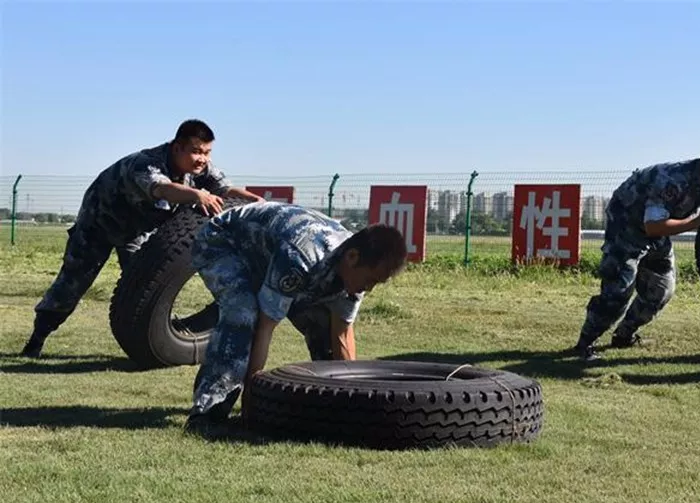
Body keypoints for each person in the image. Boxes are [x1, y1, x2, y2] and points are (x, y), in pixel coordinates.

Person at [21, 119, 264, 358]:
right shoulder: (146, 164)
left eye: (207, 152)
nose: (203, 158)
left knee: (145, 285)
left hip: (135, 231)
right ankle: (37, 339)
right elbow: (161, 190)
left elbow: (224, 189)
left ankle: (151, 340)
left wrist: (252, 200)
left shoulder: (201, 168)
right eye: (196, 151)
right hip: (97, 226)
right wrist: (197, 195)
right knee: (71, 284)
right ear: (177, 147)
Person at [184, 201, 409, 433]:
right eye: (370, 280)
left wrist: (352, 403)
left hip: (270, 255)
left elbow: (341, 334)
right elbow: (265, 327)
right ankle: (207, 414)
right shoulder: (302, 254)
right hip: (223, 242)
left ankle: (328, 408)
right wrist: (254, 401)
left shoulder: (354, 268)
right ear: (352, 257)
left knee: (323, 326)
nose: (368, 288)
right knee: (243, 312)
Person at [573, 135, 700, 362]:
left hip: (656, 232)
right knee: (619, 291)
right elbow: (653, 225)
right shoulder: (672, 181)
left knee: (662, 289)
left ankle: (624, 334)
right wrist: (693, 223)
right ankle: (585, 343)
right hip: (627, 226)